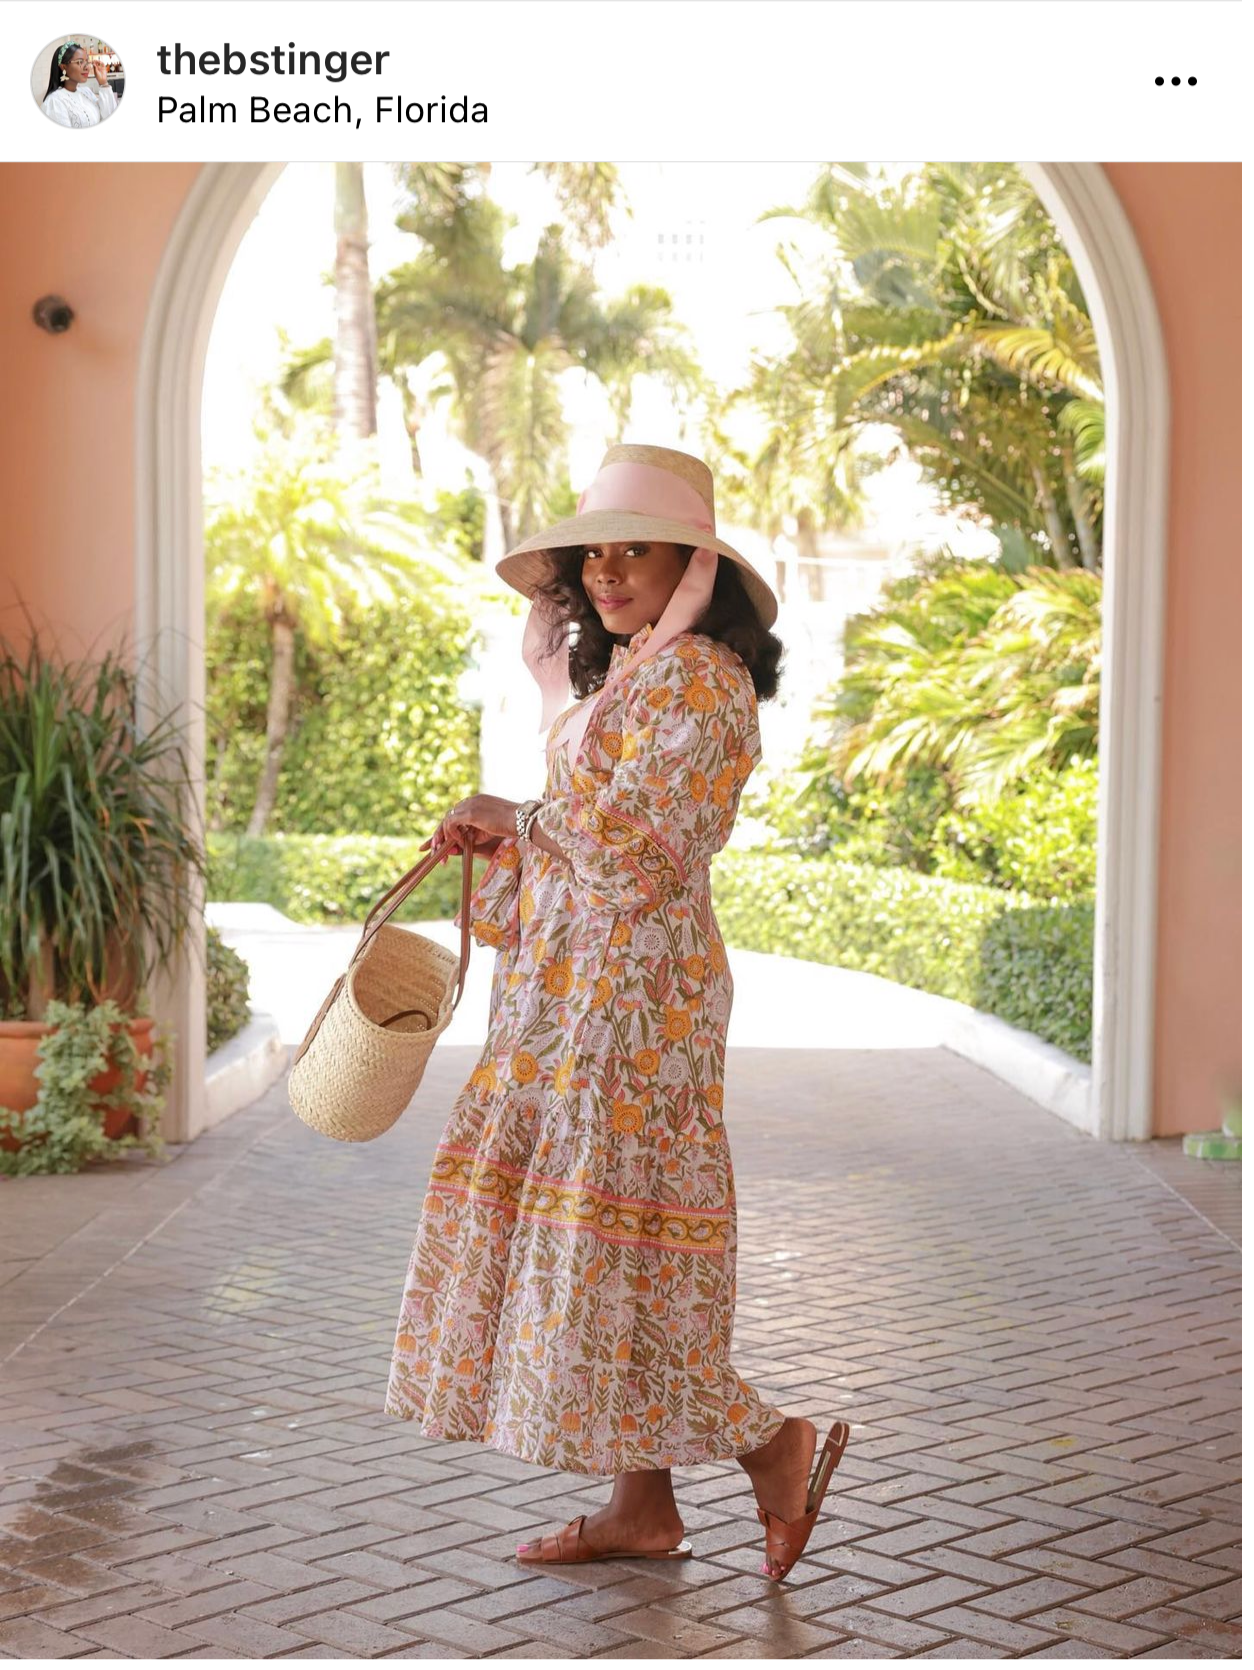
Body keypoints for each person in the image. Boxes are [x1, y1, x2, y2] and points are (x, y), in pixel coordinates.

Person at [385, 445, 850, 1581]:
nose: (604, 570)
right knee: (615, 1252)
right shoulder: (634, 676)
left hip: (635, 1008)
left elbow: (645, 852)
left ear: (695, 566)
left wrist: (524, 818)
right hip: (575, 997)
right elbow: (580, 837)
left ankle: (771, 1443)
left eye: (634, 548)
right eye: (594, 550)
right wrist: (507, 836)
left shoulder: (701, 681)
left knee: (618, 1248)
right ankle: (642, 1507)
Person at [41, 43, 119, 128]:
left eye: (87, 61)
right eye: (80, 62)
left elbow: (108, 115)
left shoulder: (86, 92)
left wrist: (103, 83)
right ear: (64, 67)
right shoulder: (55, 102)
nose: (87, 67)